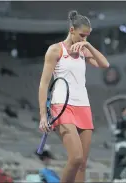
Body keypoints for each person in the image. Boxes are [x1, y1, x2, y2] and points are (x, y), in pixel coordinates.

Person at [38, 10, 109, 183]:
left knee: (82, 164)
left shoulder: (83, 51)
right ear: (71, 30)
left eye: (87, 36)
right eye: (82, 35)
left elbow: (105, 64)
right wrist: (42, 115)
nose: (84, 39)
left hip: (83, 106)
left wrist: (88, 46)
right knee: (76, 158)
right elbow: (44, 84)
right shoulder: (55, 50)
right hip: (62, 107)